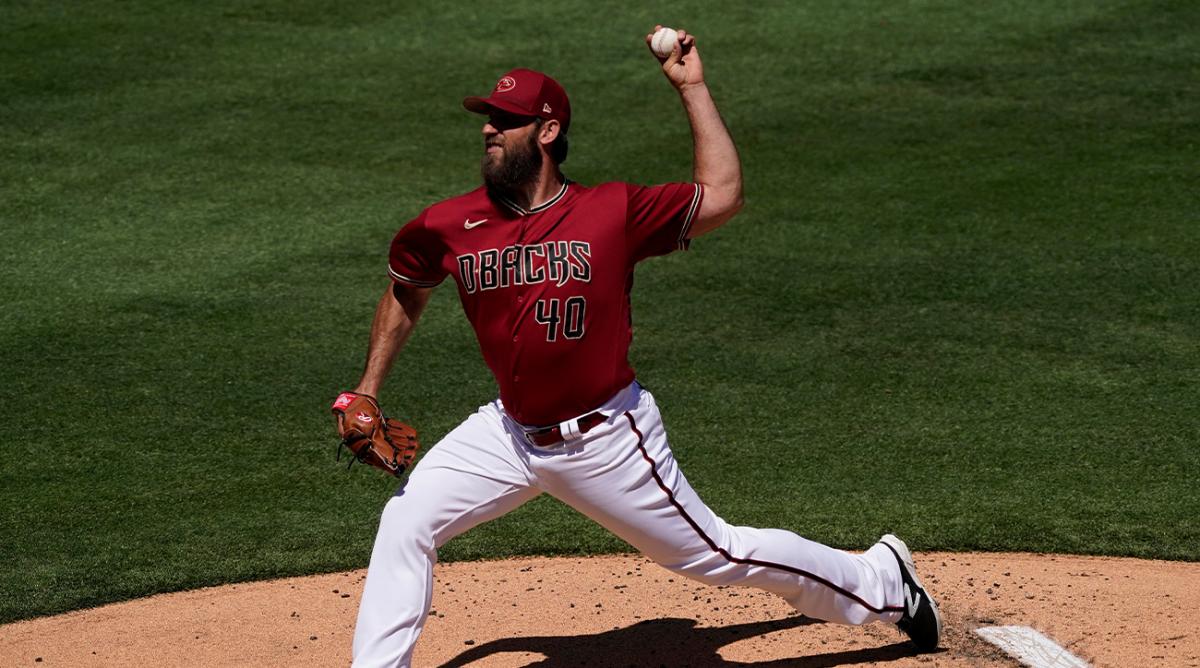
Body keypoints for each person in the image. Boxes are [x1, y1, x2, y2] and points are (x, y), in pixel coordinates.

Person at [337, 26, 941, 668]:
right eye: (488, 119)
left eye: (506, 121)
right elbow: (407, 288)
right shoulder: (449, 223)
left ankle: (882, 582)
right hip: (507, 432)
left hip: (605, 438)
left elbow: (723, 196)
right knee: (406, 523)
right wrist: (369, 386)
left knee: (718, 556)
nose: (489, 130)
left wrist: (693, 87)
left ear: (546, 132)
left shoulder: (611, 211)